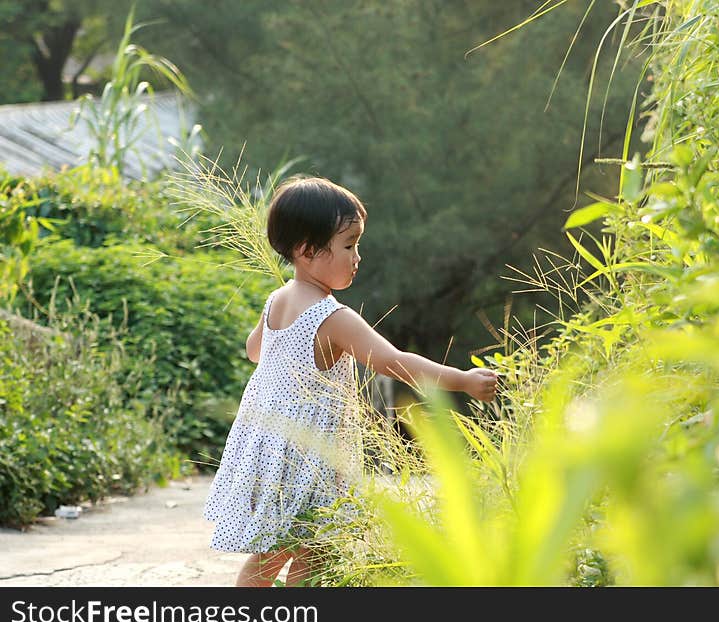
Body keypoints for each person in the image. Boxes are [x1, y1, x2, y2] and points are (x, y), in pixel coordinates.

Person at [203, 175, 499, 587]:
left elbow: (256, 350)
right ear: (307, 250)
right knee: (318, 545)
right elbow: (394, 363)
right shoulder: (332, 317)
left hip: (269, 443)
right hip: (308, 451)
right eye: (349, 245)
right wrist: (463, 381)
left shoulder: (276, 300)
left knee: (272, 553)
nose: (357, 256)